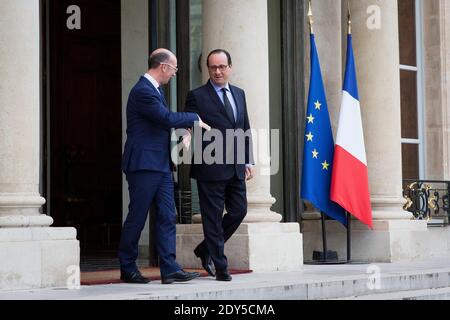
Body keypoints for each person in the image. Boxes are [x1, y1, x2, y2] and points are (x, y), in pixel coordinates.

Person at [119, 48, 211, 284]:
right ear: (164, 67)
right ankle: (128, 267)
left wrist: (183, 134)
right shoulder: (143, 90)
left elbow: (161, 124)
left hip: (160, 164)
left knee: (168, 215)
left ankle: (169, 268)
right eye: (174, 69)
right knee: (138, 216)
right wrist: (193, 119)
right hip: (144, 164)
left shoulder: (155, 90)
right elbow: (165, 118)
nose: (174, 74)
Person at [185, 49, 254, 281]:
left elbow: (244, 128)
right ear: (208, 69)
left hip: (235, 166)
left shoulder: (239, 93)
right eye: (213, 67)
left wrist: (248, 159)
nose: (217, 71)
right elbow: (192, 128)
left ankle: (205, 249)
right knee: (212, 217)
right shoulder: (196, 95)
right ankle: (221, 266)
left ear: (230, 68)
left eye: (222, 66)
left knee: (239, 210)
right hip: (210, 166)